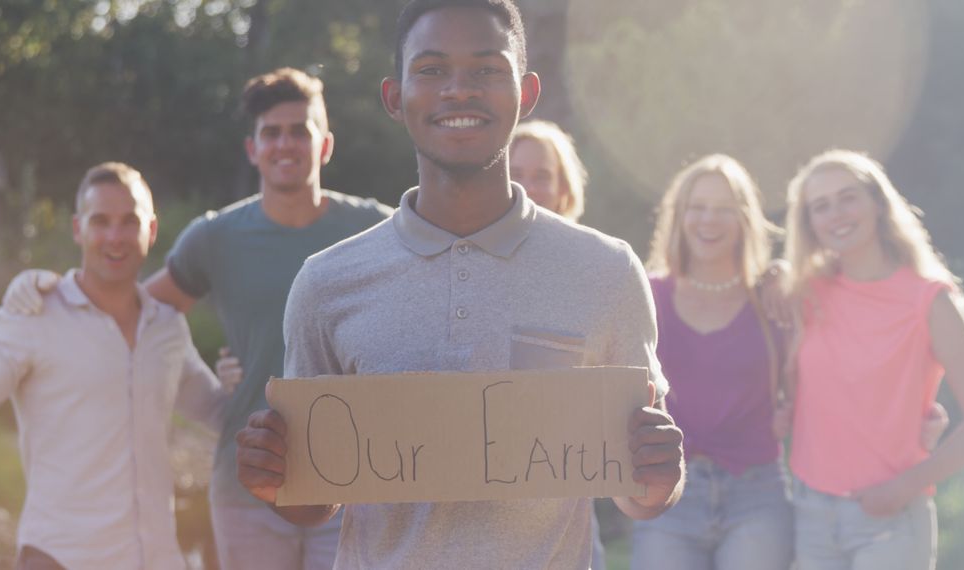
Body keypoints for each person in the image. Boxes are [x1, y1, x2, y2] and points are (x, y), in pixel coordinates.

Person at [233, 1, 685, 568]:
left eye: (487, 70)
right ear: (394, 97)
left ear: (526, 92)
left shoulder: (607, 271)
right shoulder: (326, 283)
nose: (459, 90)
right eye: (431, 69)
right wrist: (274, 478)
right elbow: (315, 498)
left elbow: (640, 492)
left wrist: (663, 475)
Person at [2, 69, 392, 570]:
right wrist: (47, 290)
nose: (285, 143)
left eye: (300, 130)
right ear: (252, 149)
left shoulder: (374, 230)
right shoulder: (215, 237)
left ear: (326, 146)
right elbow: (128, 314)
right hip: (246, 481)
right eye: (271, 132)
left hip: (350, 482)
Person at [0, 163, 233, 569]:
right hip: (59, 558)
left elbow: (218, 413)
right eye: (100, 222)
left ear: (151, 230)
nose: (115, 237)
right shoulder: (33, 315)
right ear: (78, 229)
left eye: (129, 222)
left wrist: (244, 386)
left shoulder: (167, 328)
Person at [783, 149, 964, 570]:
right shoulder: (804, 295)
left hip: (891, 520)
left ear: (877, 202)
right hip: (809, 514)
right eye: (820, 206)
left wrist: (904, 487)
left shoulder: (930, 300)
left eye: (848, 197)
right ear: (809, 225)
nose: (836, 213)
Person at [628, 154, 794, 569]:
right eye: (698, 207)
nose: (709, 220)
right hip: (667, 491)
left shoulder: (771, 296)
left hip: (756, 492)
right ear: (679, 215)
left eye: (723, 209)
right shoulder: (645, 295)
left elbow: (811, 375)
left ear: (744, 220)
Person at [510, 119, 611, 569]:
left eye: (541, 176)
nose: (526, 187)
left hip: (566, 492)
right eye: (514, 174)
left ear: (564, 188)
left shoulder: (597, 270)